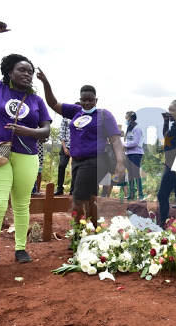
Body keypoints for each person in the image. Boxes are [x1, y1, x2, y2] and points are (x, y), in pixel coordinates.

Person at [0, 20, 52, 269]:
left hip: (27, 156)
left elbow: (46, 131)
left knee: (21, 205)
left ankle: (20, 248)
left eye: (29, 71)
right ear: (9, 73)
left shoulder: (37, 100)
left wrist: (27, 130)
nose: (27, 74)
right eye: (21, 70)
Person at [37, 70, 125, 228]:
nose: (87, 103)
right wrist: (45, 83)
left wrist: (120, 162)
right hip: (77, 161)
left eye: (91, 100)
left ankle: (77, 235)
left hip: (94, 161)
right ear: (80, 100)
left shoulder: (104, 115)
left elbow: (115, 140)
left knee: (77, 200)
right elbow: (52, 103)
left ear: (96, 100)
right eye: (84, 100)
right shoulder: (76, 111)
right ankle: (94, 231)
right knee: (90, 199)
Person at [123, 111, 144, 201]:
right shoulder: (129, 128)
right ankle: (131, 193)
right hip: (129, 153)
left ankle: (141, 194)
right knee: (130, 174)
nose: (125, 120)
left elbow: (135, 142)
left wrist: (123, 144)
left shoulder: (137, 128)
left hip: (136, 153)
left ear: (130, 118)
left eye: (126, 118)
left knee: (136, 173)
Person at [54, 117, 74, 195]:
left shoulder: (81, 118)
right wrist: (65, 148)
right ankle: (59, 188)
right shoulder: (65, 119)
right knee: (61, 165)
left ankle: (73, 190)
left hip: (76, 147)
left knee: (75, 168)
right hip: (65, 146)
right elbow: (62, 134)